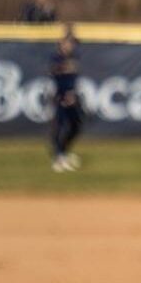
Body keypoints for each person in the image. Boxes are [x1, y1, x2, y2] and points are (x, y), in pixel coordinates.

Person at [49, 25, 83, 172]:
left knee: (76, 126)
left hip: (72, 97)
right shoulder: (57, 58)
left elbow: (73, 79)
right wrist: (63, 95)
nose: (72, 45)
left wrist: (73, 94)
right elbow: (54, 74)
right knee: (60, 126)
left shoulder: (73, 57)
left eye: (73, 43)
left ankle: (64, 152)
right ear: (62, 42)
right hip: (60, 97)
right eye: (70, 42)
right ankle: (58, 157)